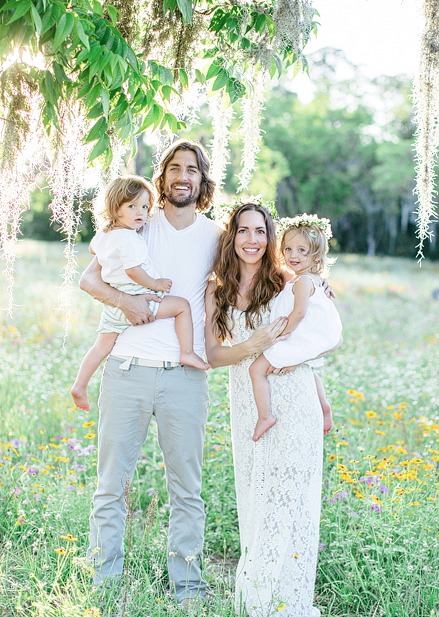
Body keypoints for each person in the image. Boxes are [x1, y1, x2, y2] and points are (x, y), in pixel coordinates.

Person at [79, 140, 221, 608]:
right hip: (127, 370)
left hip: (185, 376)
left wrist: (312, 283)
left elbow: (257, 278)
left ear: (202, 181)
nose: (183, 176)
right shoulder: (137, 225)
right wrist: (127, 301)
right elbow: (89, 280)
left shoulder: (215, 236)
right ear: (162, 177)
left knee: (187, 489)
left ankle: (187, 587)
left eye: (193, 170)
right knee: (111, 485)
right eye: (175, 168)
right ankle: (105, 583)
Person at [205, 202, 330, 617]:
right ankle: (257, 598)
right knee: (257, 498)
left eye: (261, 232)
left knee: (289, 499)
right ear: (232, 236)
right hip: (248, 401)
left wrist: (323, 402)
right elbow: (212, 355)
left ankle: (286, 601)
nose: (252, 240)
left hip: (293, 397)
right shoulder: (215, 288)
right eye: (244, 231)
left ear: (270, 238)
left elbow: (314, 337)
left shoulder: (288, 282)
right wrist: (252, 346)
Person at [71, 175, 209, 411]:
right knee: (182, 306)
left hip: (114, 306)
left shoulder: (104, 234)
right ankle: (187, 352)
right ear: (115, 208)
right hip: (140, 296)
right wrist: (155, 283)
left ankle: (80, 385)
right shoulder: (129, 239)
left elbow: (94, 248)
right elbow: (134, 271)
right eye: (132, 206)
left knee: (102, 346)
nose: (141, 213)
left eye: (145, 207)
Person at [249, 214, 342, 441]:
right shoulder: (308, 279)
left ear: (317, 255)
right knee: (310, 371)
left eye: (302, 250)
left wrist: (279, 334)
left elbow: (299, 313)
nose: (293, 255)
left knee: (256, 369)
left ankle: (264, 416)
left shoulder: (302, 281)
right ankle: (324, 406)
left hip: (292, 336)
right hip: (301, 337)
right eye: (288, 249)